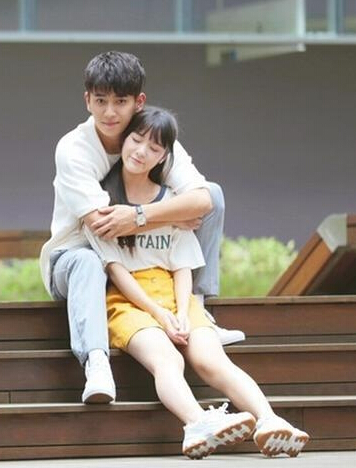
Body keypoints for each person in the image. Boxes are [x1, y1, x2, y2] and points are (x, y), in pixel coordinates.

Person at [83, 105, 310, 459]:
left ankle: (269, 420)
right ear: (123, 140)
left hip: (177, 294)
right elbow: (115, 271)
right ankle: (196, 423)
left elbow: (182, 267)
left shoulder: (173, 202)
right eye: (137, 140)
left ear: (164, 156)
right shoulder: (100, 202)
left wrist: (183, 312)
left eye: (154, 148)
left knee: (211, 360)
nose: (142, 152)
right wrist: (159, 313)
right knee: (167, 360)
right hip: (128, 301)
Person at [39, 51, 243, 405]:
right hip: (74, 259)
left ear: (139, 102)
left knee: (215, 194)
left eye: (121, 101)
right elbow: (102, 224)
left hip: (141, 260)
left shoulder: (151, 137)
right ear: (87, 100)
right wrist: (171, 215)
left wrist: (140, 216)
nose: (110, 112)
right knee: (87, 259)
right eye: (100, 101)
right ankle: (97, 364)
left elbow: (202, 200)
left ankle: (198, 309)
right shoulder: (73, 149)